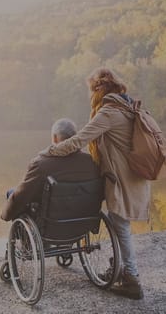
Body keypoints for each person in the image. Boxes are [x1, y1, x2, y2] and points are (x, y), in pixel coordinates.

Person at [45, 67, 149, 300]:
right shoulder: (127, 105)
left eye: (91, 91)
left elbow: (79, 139)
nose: (90, 96)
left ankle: (131, 279)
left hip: (122, 180)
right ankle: (121, 268)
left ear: (98, 89)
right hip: (134, 177)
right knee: (117, 223)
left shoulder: (110, 112)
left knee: (120, 226)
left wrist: (51, 151)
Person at [0, 118, 98, 222]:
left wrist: (5, 215)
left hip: (50, 223)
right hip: (81, 221)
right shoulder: (91, 162)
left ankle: (21, 237)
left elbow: (21, 196)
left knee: (12, 193)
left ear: (55, 138)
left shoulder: (41, 164)